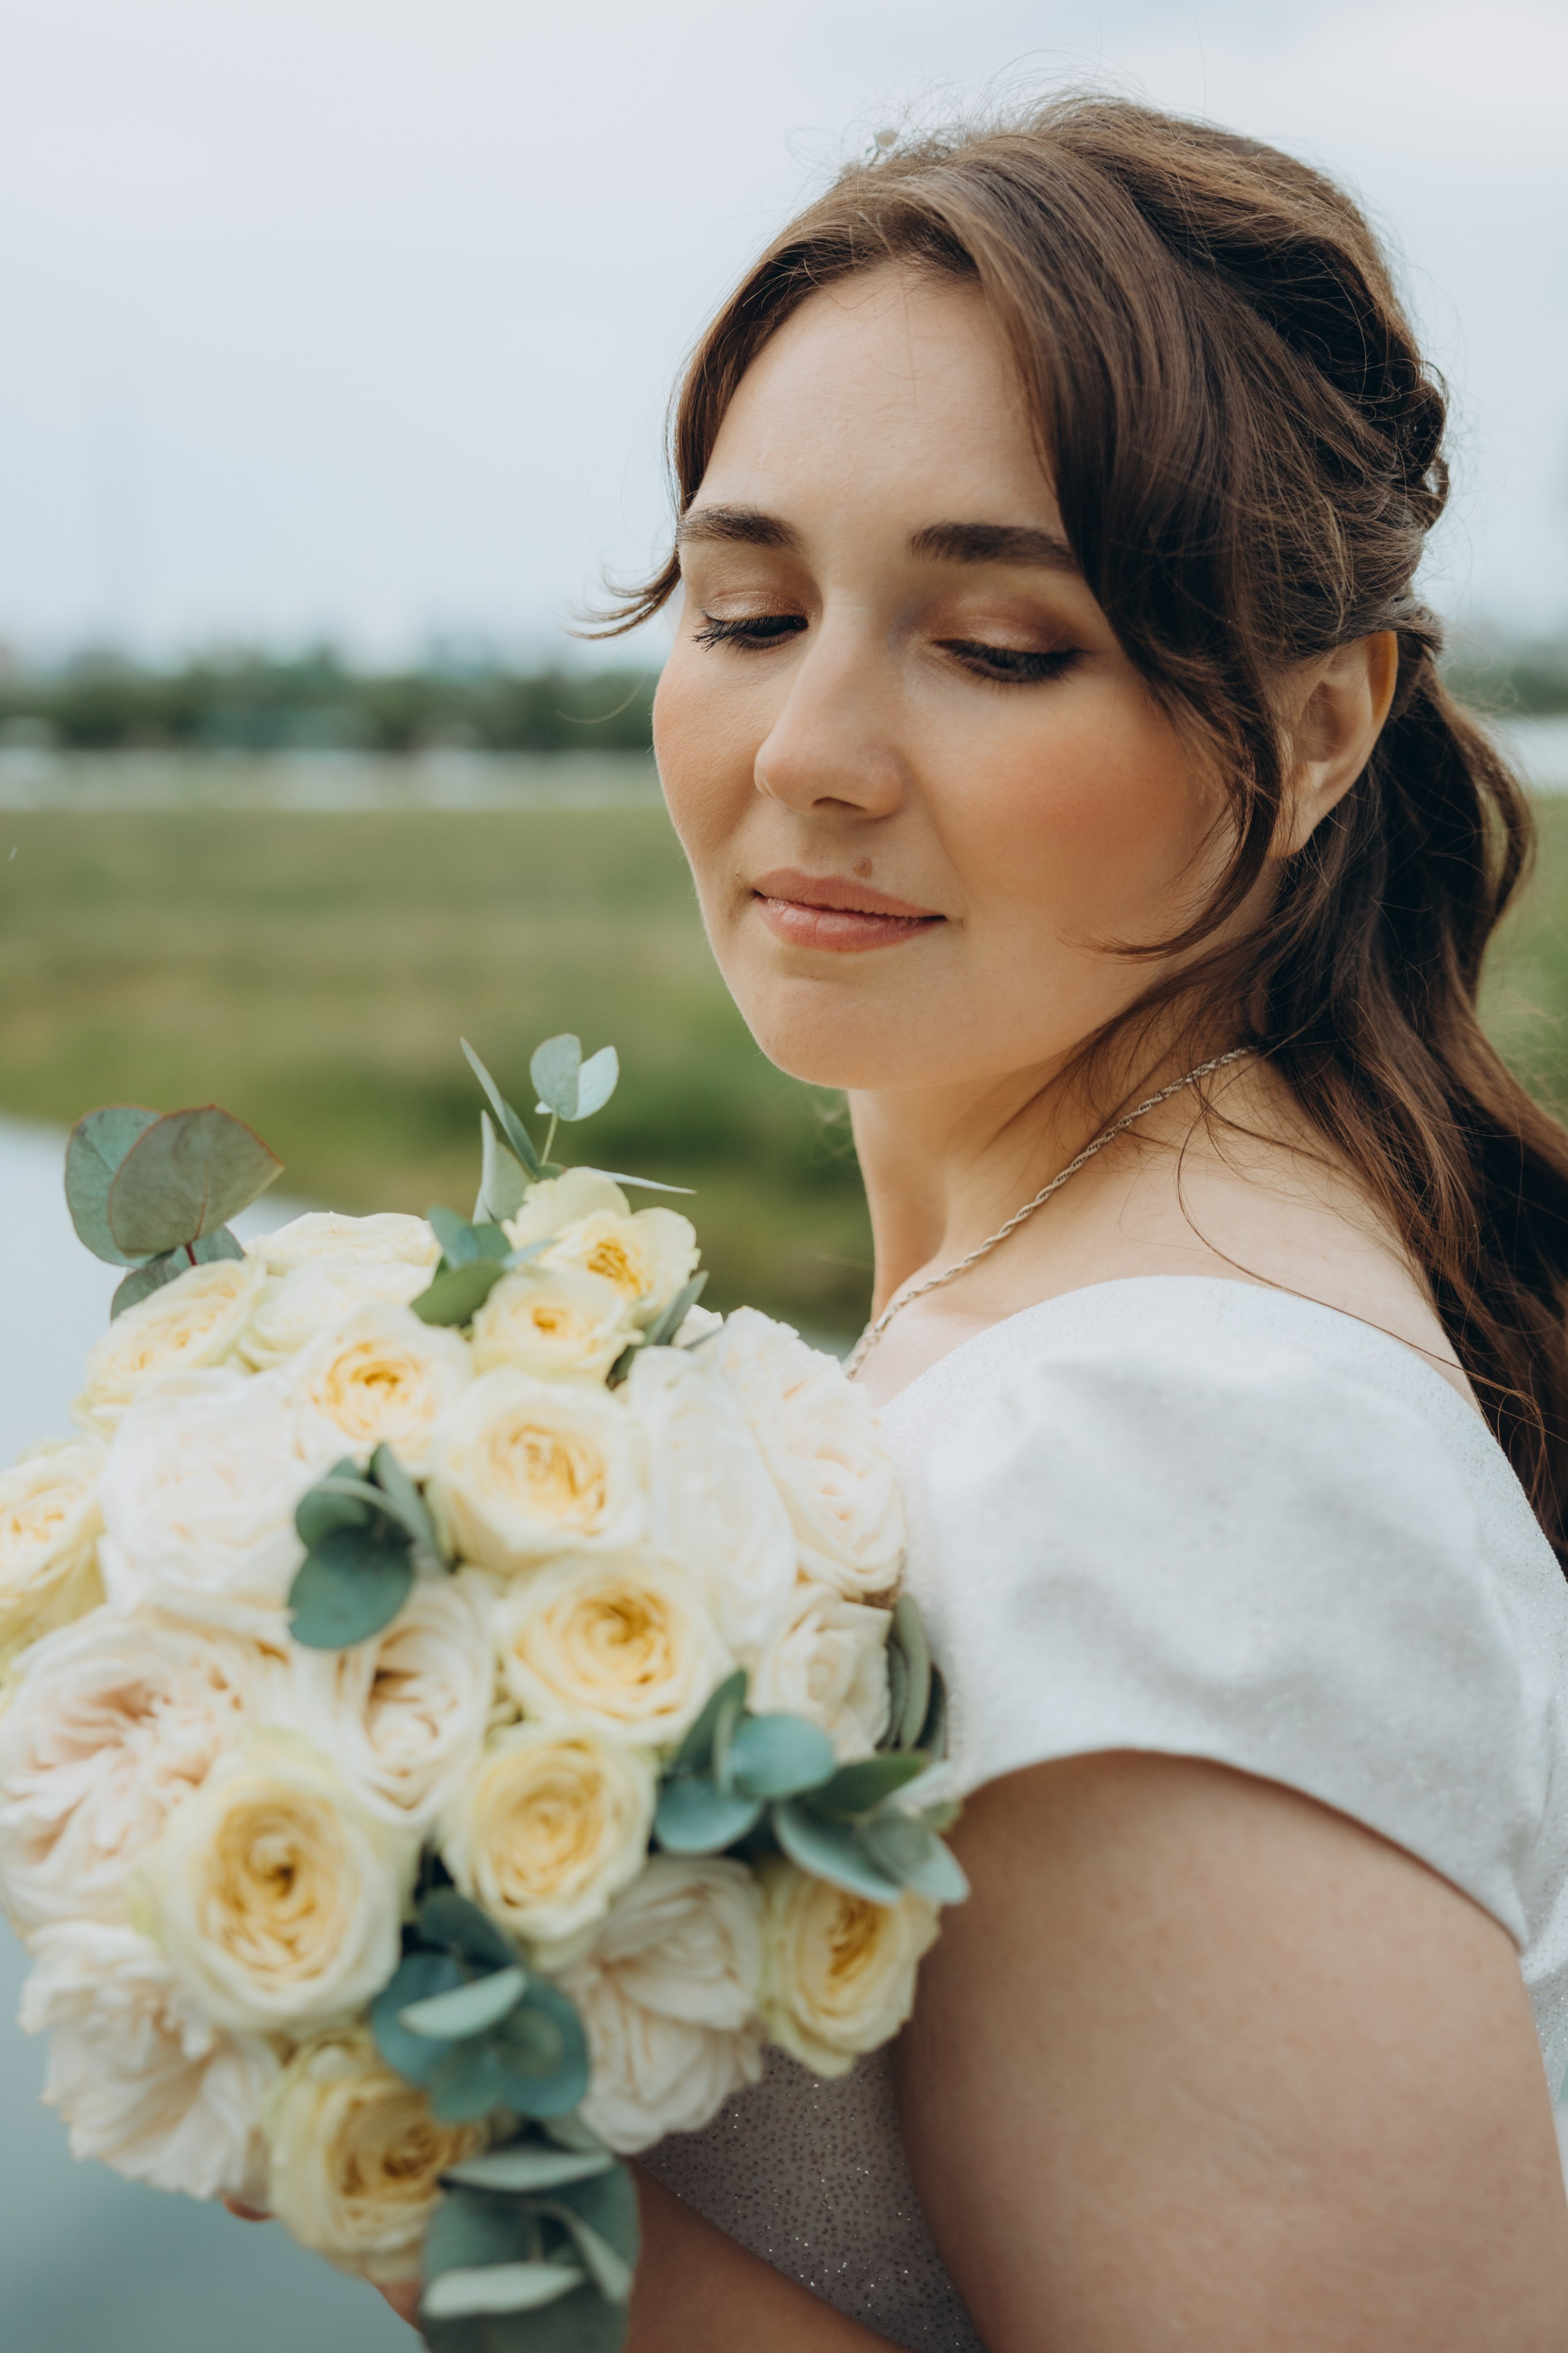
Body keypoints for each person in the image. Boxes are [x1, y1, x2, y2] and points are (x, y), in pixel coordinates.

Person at [366, 94, 1568, 2346]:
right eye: (745, 607)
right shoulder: (1092, 1316)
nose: (809, 746)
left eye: (997, 645)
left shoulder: (1171, 1454)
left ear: (1319, 731)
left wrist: (410, 2159)